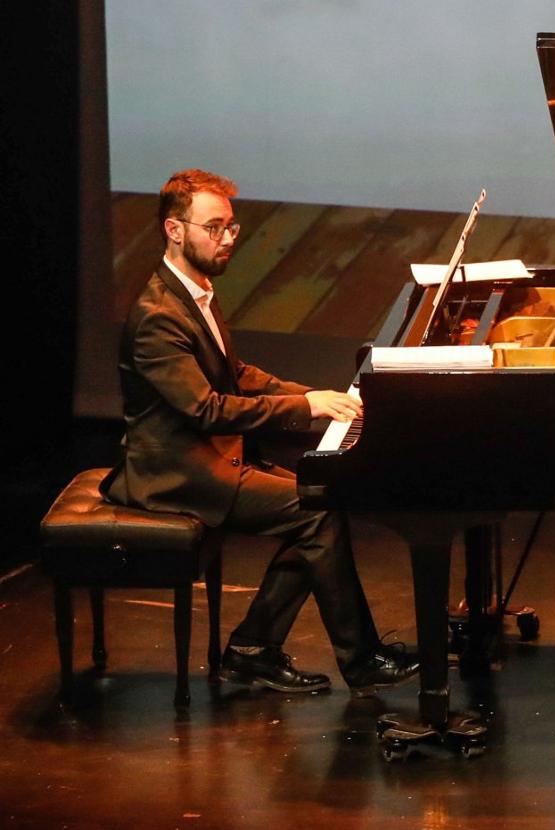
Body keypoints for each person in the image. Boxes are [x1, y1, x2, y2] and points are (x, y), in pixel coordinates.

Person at [101, 168, 420, 698]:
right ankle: (355, 660)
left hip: (206, 455)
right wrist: (304, 407)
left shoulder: (194, 290)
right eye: (214, 228)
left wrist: (319, 400)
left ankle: (254, 648)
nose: (226, 239)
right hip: (174, 473)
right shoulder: (159, 315)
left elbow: (238, 373)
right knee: (316, 510)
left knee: (318, 504)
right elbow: (207, 408)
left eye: (231, 227)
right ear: (174, 230)